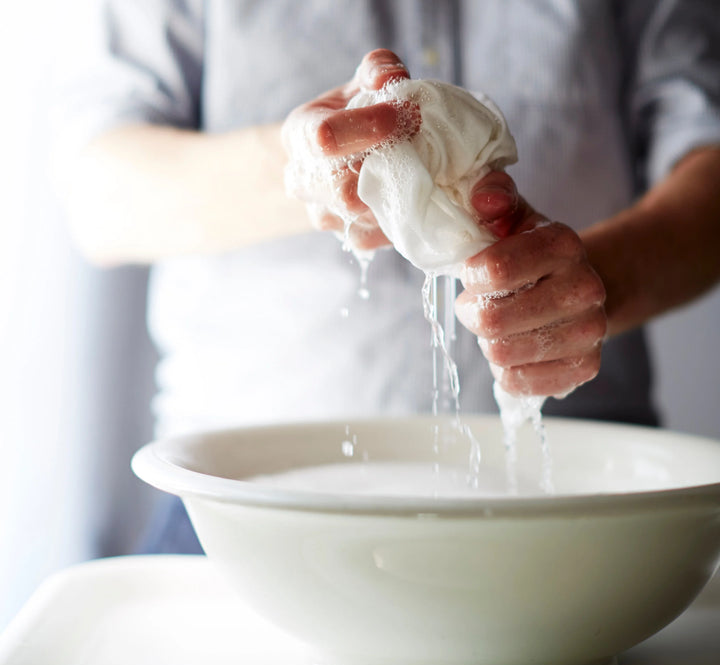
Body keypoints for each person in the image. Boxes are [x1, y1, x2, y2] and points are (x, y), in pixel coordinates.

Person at [54, 1, 720, 553]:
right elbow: (99, 195)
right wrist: (304, 169)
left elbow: (709, 159)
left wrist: (591, 286)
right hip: (239, 512)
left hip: (592, 504)